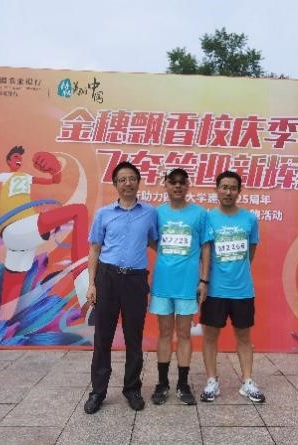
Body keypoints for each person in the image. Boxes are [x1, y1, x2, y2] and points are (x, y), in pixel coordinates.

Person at [0, 145, 89, 320]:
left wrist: (55, 171)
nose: (18, 160)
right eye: (15, 157)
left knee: (13, 284)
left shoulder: (27, 177)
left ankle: (1, 323)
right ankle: (86, 295)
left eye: (20, 158)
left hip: (21, 235)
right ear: (9, 160)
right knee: (79, 211)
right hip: (17, 227)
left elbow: (54, 181)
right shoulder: (5, 176)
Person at [84, 161, 158, 414]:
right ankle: (98, 392)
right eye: (122, 179)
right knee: (102, 337)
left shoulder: (150, 213)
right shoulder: (104, 214)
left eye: (132, 179)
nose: (128, 183)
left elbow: (156, 242)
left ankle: (132, 389)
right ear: (115, 184)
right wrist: (91, 284)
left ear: (138, 182)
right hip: (107, 278)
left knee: (133, 337)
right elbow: (95, 249)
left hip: (135, 281)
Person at [200, 170, 265, 403]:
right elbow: (205, 252)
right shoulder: (208, 218)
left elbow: (251, 252)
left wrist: (238, 272)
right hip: (214, 290)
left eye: (233, 188)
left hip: (242, 290)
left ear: (239, 191)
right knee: (210, 337)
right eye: (224, 187)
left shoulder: (250, 219)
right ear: (217, 190)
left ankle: (247, 381)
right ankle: (211, 381)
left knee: (244, 337)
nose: (228, 192)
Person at [149, 168, 211, 406]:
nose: (177, 186)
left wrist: (204, 280)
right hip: (163, 284)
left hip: (187, 285)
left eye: (181, 182)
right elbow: (153, 240)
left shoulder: (199, 214)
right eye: (172, 182)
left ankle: (183, 384)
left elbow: (205, 247)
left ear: (187, 186)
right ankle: (162, 383)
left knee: (184, 334)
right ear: (165, 184)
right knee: (165, 333)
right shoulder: (157, 213)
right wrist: (167, 255)